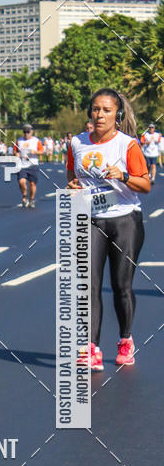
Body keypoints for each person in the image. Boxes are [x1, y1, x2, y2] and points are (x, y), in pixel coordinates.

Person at [67, 88, 150, 370]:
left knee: (120, 286)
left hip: (124, 219)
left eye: (106, 110)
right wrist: (73, 186)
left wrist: (123, 175)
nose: (100, 115)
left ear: (117, 114)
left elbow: (145, 185)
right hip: (91, 220)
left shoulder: (127, 145)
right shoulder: (77, 143)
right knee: (88, 286)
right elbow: (72, 176)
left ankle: (125, 340)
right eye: (95, 109)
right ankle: (91, 348)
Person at [14, 123, 43, 208]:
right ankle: (24, 195)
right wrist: (16, 154)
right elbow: (15, 151)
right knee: (21, 181)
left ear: (31, 132)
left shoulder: (36, 141)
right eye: (24, 132)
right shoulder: (19, 141)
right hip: (22, 165)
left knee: (32, 184)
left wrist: (35, 152)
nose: (26, 134)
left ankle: (31, 199)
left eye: (28, 132)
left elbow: (41, 151)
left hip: (33, 164)